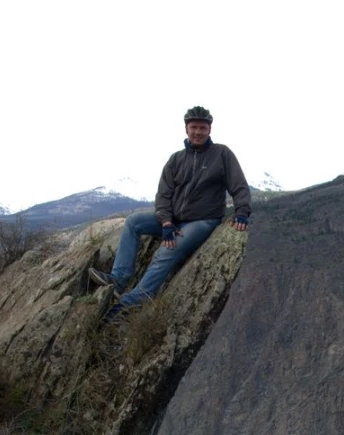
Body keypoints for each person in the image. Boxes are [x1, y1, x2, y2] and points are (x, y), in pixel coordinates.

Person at [89, 106, 251, 319]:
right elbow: (163, 195)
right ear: (186, 129)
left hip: (202, 221)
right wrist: (165, 222)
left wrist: (242, 213)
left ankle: (131, 303)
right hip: (173, 219)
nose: (198, 132)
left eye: (203, 128)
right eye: (194, 127)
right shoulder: (176, 159)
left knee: (166, 251)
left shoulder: (222, 154)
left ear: (210, 130)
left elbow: (239, 186)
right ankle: (119, 279)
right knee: (133, 222)